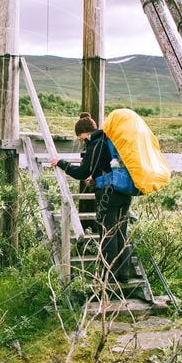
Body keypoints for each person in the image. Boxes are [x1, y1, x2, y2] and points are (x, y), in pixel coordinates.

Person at [50, 112, 133, 283]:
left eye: (80, 138)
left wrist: (61, 163)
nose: (81, 141)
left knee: (107, 233)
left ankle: (109, 276)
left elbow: (81, 172)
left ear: (86, 132)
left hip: (107, 194)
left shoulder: (95, 145)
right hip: (124, 191)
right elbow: (106, 166)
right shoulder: (110, 141)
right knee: (120, 232)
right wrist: (94, 177)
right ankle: (124, 273)